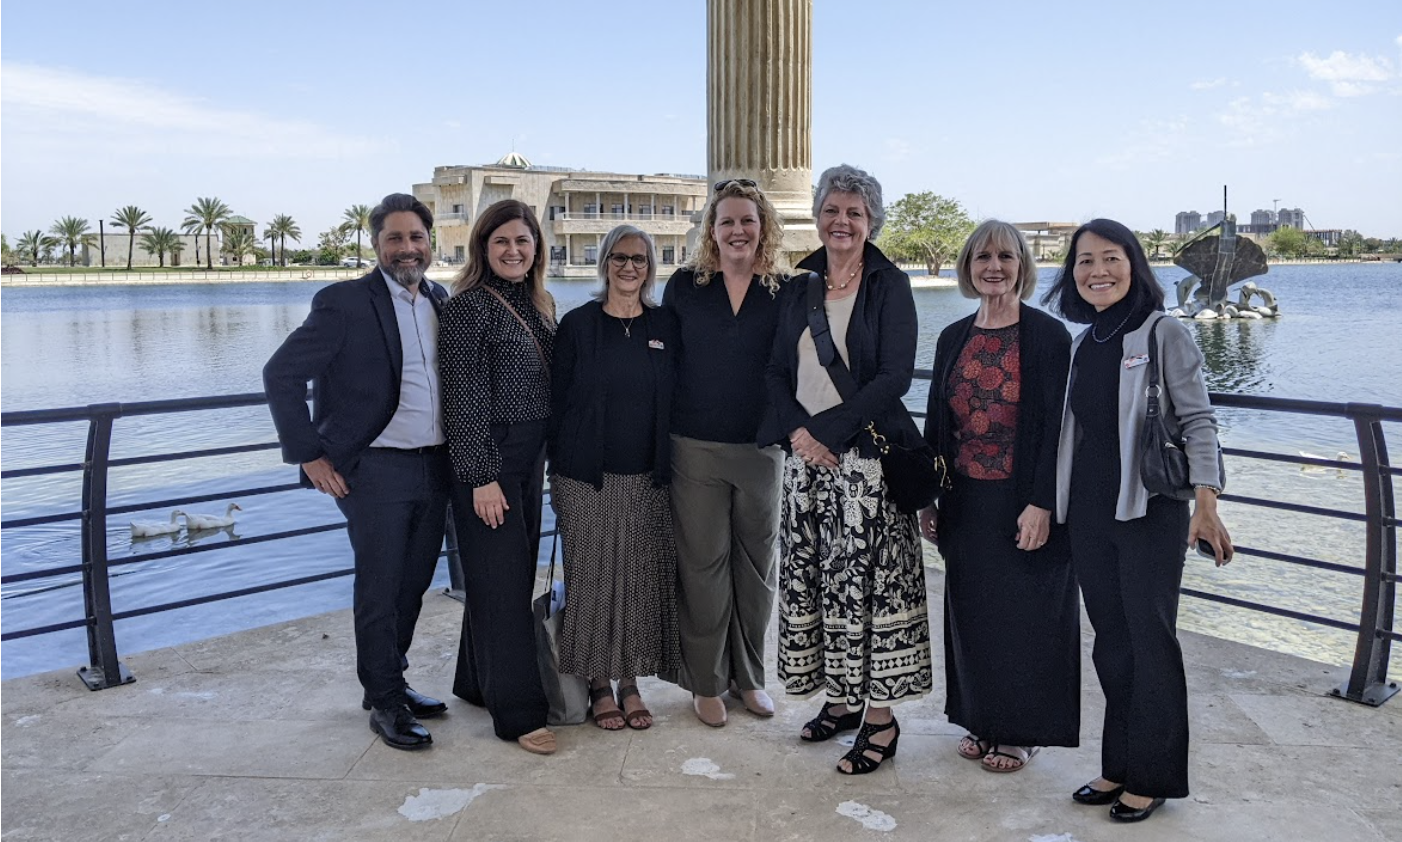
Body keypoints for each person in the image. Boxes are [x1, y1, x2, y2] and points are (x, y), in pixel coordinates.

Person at [1044, 218, 1233, 822]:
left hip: (1150, 511)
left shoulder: (1162, 333)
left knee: (1152, 641)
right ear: (1073, 274)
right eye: (1084, 262)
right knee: (1113, 644)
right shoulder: (1082, 343)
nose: (1098, 271)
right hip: (1092, 515)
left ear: (1135, 264)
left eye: (1111, 258)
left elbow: (1199, 421)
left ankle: (1152, 775)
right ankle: (1119, 763)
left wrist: (1206, 503)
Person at [759, 164, 932, 774]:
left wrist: (826, 432)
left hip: (866, 463)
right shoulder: (798, 284)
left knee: (869, 588)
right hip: (807, 464)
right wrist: (799, 434)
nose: (842, 222)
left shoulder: (890, 284)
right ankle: (841, 698)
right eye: (832, 210)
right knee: (822, 583)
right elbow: (776, 371)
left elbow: (894, 378)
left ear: (871, 221)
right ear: (819, 215)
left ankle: (881, 723)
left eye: (855, 213)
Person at [263, 193, 450, 751]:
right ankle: (387, 704)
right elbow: (281, 374)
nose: (406, 248)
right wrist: (310, 453)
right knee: (380, 586)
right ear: (376, 245)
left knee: (414, 583)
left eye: (415, 237)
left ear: (429, 242)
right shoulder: (344, 303)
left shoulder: (438, 299)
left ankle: (388, 680)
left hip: (433, 464)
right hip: (374, 470)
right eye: (394, 238)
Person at [919, 220, 1079, 773]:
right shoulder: (953, 337)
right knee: (973, 614)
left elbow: (1059, 430)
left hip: (1025, 498)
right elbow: (937, 424)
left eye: (1006, 256)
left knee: (1028, 617)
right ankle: (980, 718)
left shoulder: (1048, 335)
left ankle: (1019, 731)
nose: (994, 266)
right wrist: (926, 498)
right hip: (964, 497)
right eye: (982, 256)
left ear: (1022, 266)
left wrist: (1043, 503)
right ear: (967, 265)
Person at [662, 178, 789, 727]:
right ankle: (706, 681)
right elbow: (662, 367)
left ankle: (750, 678)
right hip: (694, 446)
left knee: (757, 571)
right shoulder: (685, 287)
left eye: (747, 221)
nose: (738, 230)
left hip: (762, 450)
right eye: (727, 221)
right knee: (703, 567)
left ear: (763, 228)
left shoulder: (788, 290)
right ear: (711, 231)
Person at [549, 225, 682, 731]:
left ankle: (630, 681)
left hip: (649, 476)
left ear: (651, 268)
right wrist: (557, 473)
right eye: (621, 258)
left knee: (637, 580)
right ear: (605, 263)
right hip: (586, 478)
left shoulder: (665, 324)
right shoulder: (579, 325)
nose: (630, 267)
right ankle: (598, 683)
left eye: (641, 260)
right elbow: (557, 401)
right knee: (592, 581)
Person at [438, 199, 559, 755]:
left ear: (537, 247)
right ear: (483, 248)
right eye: (502, 242)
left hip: (529, 458)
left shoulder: (539, 304)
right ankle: (518, 713)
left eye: (523, 241)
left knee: (498, 578)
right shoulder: (468, 309)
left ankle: (473, 682)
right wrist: (481, 475)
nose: (514, 251)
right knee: (506, 586)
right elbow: (462, 399)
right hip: (490, 460)